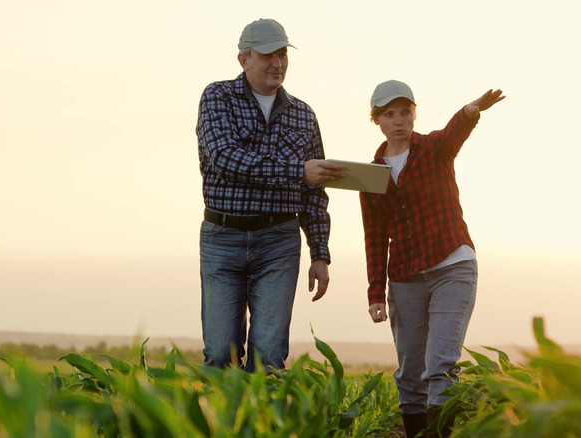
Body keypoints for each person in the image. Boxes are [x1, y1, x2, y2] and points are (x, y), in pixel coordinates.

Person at [195, 18, 344, 372]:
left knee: (270, 357)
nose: (277, 63)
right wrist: (297, 170)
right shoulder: (217, 97)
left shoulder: (304, 115)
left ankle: (261, 426)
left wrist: (319, 253)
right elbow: (226, 159)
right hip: (222, 239)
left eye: (282, 54)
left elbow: (314, 193)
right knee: (219, 354)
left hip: (279, 241)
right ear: (243, 59)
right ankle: (223, 426)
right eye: (267, 55)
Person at [359, 80, 505, 437]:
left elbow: (453, 133)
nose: (399, 121)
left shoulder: (433, 149)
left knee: (439, 365)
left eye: (406, 112)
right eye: (390, 114)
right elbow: (375, 237)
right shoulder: (371, 175)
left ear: (414, 114)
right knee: (410, 374)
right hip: (405, 278)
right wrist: (375, 293)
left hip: (452, 265)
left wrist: (471, 111)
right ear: (376, 119)